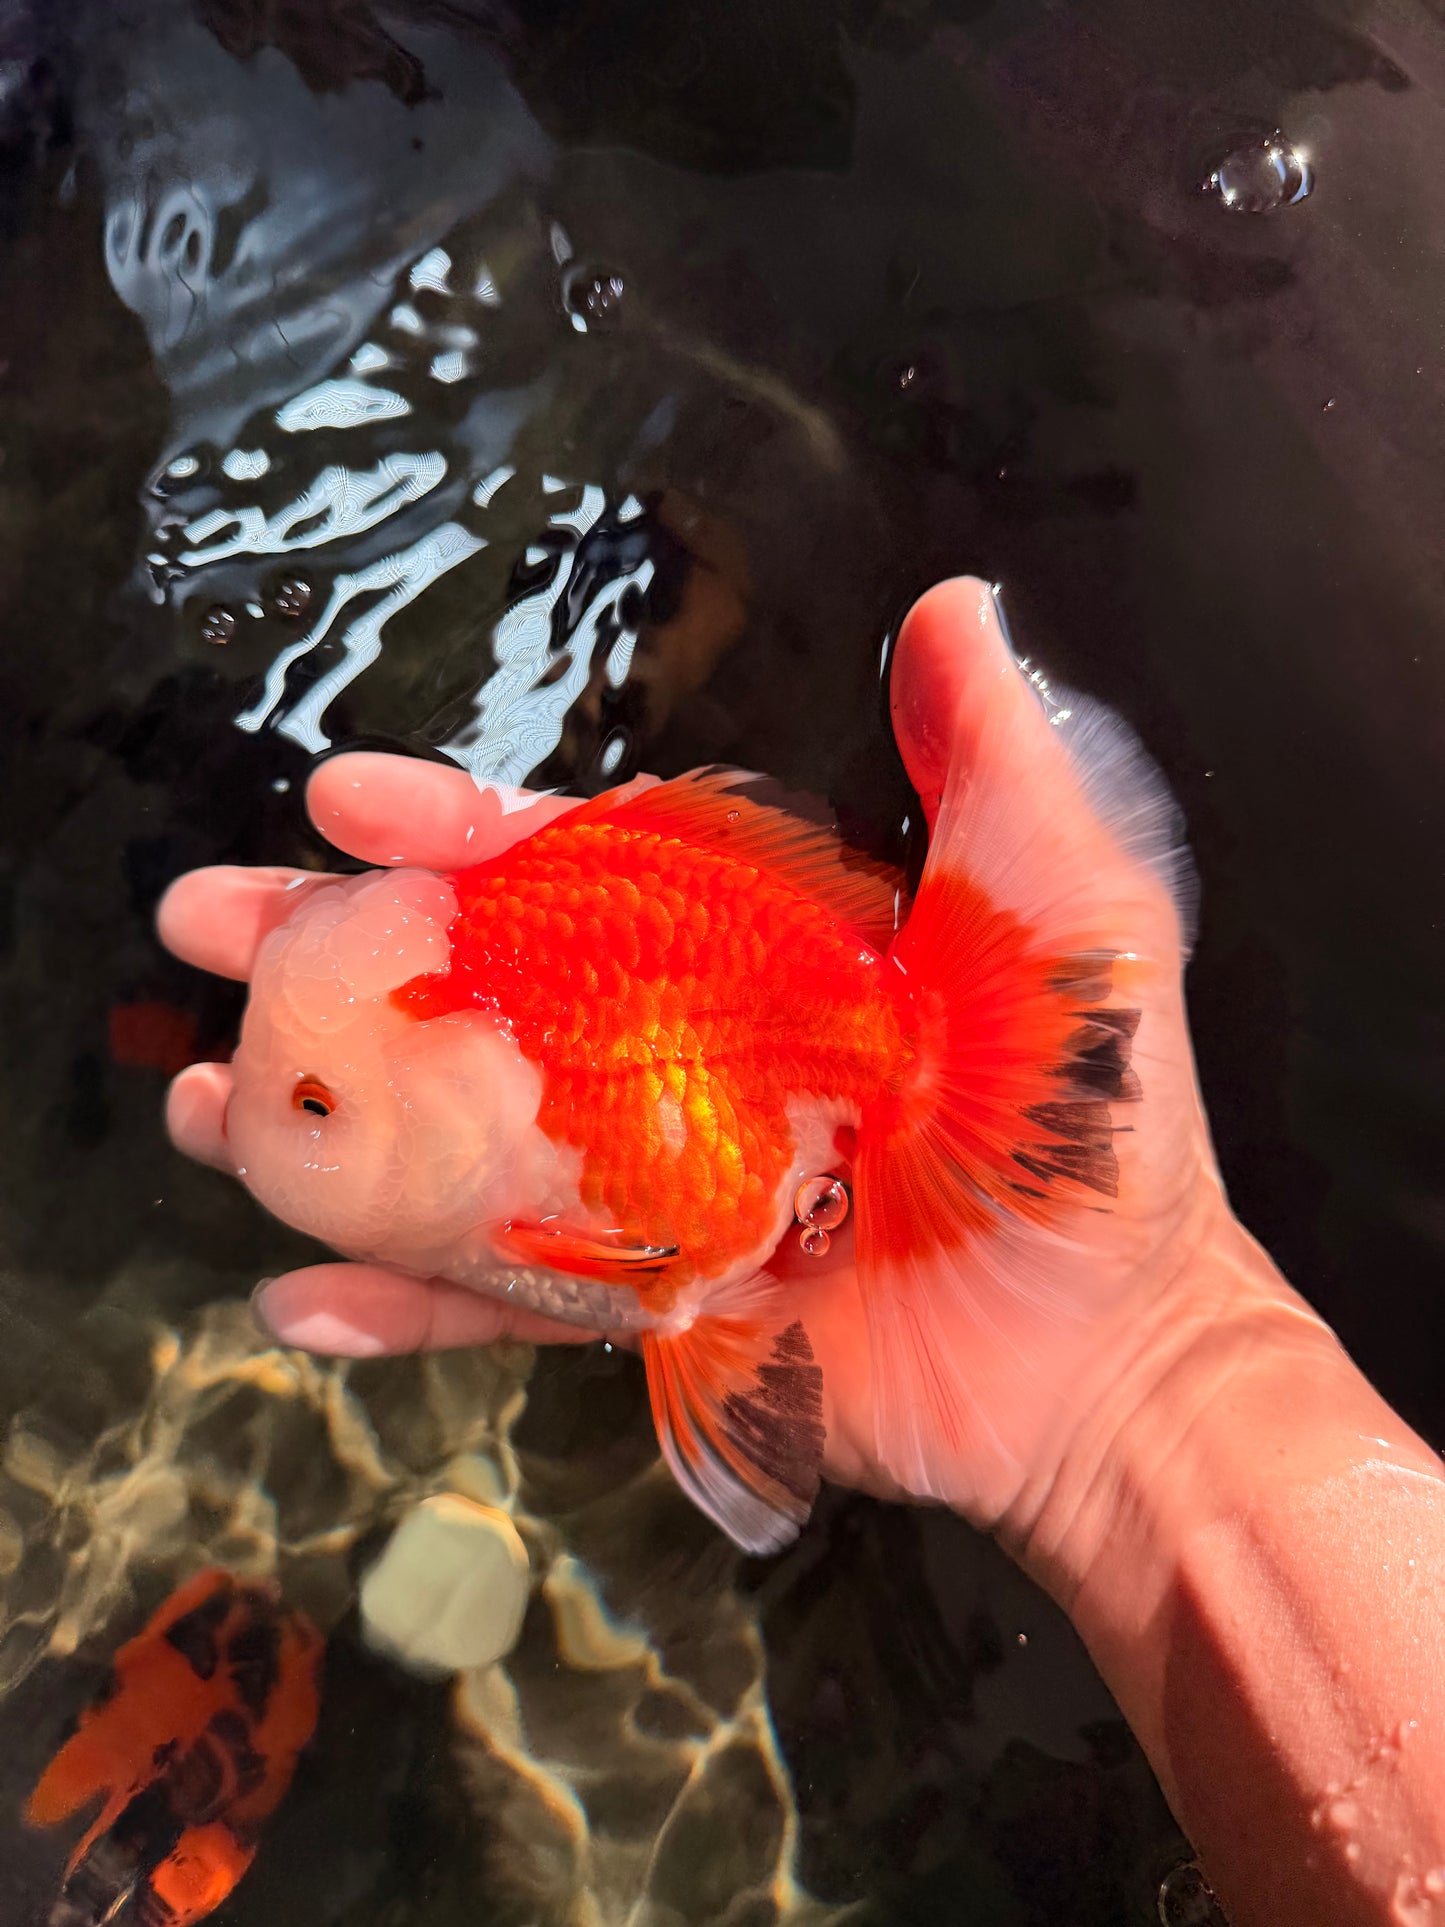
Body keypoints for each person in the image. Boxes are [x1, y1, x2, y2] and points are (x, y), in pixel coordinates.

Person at [159, 580, 1445, 1927]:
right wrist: (1132, 1392)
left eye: (313, 1108)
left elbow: (661, 1267)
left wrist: (1138, 1352)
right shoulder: (481, 1140)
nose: (271, 1116)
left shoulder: (537, 1190)